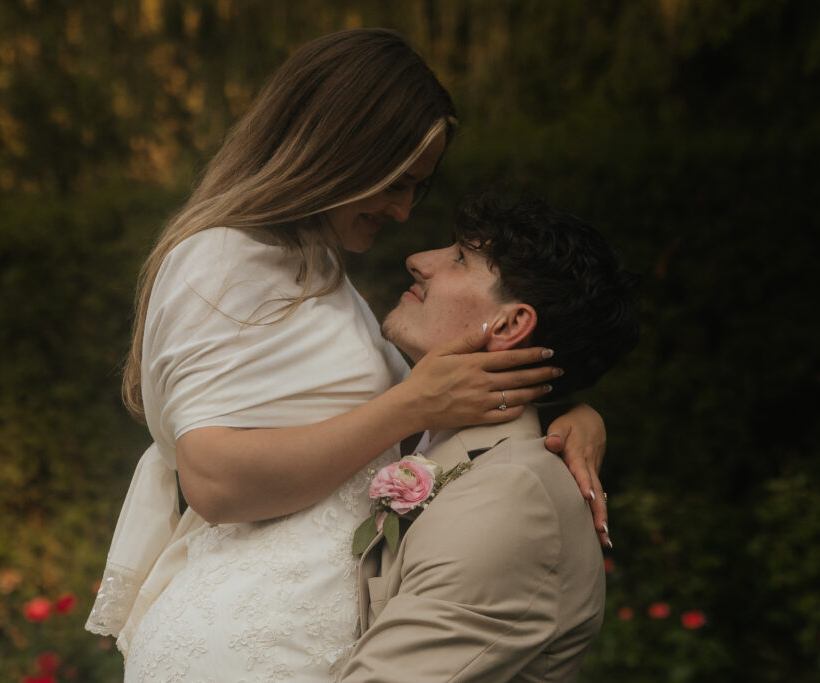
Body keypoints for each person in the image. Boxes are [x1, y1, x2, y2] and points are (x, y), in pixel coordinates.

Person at [85, 29, 610, 681]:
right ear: (338, 151)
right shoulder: (224, 256)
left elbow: (414, 422)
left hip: (306, 630)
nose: (402, 212)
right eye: (396, 183)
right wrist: (410, 403)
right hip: (254, 641)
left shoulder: (318, 274)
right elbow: (213, 480)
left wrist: (568, 409)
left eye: (418, 187)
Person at [340, 193, 639, 682]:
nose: (418, 261)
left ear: (511, 324)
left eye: (460, 257)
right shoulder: (422, 431)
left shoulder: (512, 496)